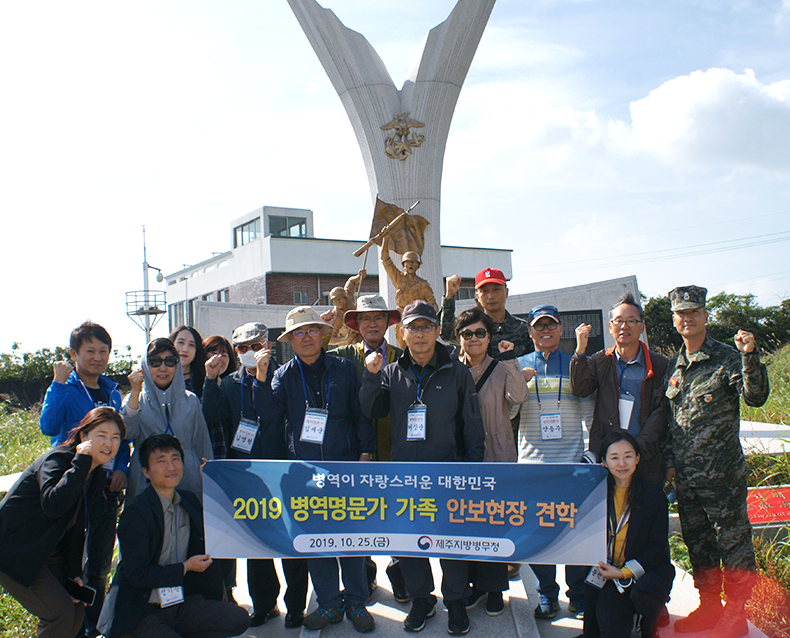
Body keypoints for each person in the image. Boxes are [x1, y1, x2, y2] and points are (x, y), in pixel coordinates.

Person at [360, 300, 486, 635]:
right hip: (405, 475)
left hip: (448, 473)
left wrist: (471, 470)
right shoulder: (390, 371)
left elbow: (472, 425)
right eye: (412, 327)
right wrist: (371, 376)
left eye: (425, 326)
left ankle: (456, 601)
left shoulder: (456, 371)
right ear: (402, 333)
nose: (419, 334)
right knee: (410, 540)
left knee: (452, 541)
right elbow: (372, 409)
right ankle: (422, 599)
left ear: (436, 331)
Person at [259, 306, 377, 633]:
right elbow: (268, 415)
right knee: (317, 541)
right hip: (306, 473)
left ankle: (356, 600)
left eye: (311, 330)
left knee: (352, 538)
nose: (306, 337)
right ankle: (328, 604)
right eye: (298, 332)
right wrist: (260, 378)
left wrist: (366, 453)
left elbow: (360, 414)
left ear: (322, 333)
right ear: (290, 340)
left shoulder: (344, 368)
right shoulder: (282, 375)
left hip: (346, 466)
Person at [665, 286, 769, 638]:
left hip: (722, 478)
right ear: (674, 319)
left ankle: (736, 615)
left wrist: (750, 356)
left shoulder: (727, 358)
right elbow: (669, 422)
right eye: (681, 313)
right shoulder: (675, 366)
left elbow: (755, 398)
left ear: (706, 316)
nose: (688, 318)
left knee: (734, 545)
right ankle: (709, 607)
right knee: (699, 546)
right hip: (688, 480)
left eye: (694, 311)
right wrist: (669, 464)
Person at [201, 322, 308, 628]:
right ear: (236, 352)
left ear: (268, 345)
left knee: (291, 541)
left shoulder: (285, 375)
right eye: (243, 348)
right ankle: (264, 604)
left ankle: (296, 605)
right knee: (255, 543)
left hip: (283, 471)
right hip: (246, 473)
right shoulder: (230, 383)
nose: (249, 353)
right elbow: (214, 415)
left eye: (255, 345)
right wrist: (210, 380)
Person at [97, 434, 250, 638]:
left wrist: (212, 487)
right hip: (143, 610)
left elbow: (217, 531)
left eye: (175, 458)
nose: (171, 466)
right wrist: (186, 567)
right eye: (161, 461)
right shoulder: (136, 514)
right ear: (146, 472)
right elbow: (138, 574)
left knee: (239, 619)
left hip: (179, 604)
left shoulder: (188, 501)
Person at [39, 321, 131, 637]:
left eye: (103, 351)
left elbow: (121, 438)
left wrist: (123, 468)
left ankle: (93, 626)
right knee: (70, 561)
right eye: (89, 350)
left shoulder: (112, 391)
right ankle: (71, 625)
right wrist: (57, 384)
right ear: (74, 353)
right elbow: (49, 426)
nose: (97, 357)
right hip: (74, 483)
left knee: (101, 562)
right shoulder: (66, 386)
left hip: (106, 488)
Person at [0, 407, 124, 638]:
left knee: (77, 612)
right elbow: (54, 505)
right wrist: (80, 463)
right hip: (15, 550)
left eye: (116, 437)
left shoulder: (96, 476)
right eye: (102, 435)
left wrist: (74, 572)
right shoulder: (57, 460)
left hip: (47, 553)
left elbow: (77, 530)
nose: (109, 443)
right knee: (60, 613)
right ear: (84, 437)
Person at [517, 304, 595, 621]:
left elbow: (589, 413)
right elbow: (508, 414)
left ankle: (577, 595)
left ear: (561, 330)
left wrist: (591, 453)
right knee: (538, 535)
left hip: (571, 464)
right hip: (532, 467)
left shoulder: (576, 364)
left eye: (551, 325)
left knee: (574, 534)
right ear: (530, 332)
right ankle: (546, 594)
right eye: (539, 326)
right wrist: (518, 385)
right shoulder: (517, 365)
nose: (545, 331)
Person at [330, 294, 408, 602]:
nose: (372, 323)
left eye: (378, 317)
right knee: (358, 513)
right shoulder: (343, 356)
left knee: (398, 511)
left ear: (389, 322)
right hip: (355, 449)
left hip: (395, 447)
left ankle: (401, 573)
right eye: (366, 318)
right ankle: (363, 574)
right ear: (357, 324)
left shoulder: (404, 356)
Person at [455, 307, 528, 616]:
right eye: (467, 333)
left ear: (489, 337)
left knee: (494, 523)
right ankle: (474, 584)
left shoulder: (500, 368)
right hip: (462, 458)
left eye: (480, 333)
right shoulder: (451, 368)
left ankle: (495, 588)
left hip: (496, 453)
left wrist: (511, 360)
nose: (474, 339)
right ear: (459, 338)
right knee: (467, 523)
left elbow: (519, 396)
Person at [580, 431, 674, 638]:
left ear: (638, 458)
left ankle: (649, 621)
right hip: (610, 572)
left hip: (648, 571)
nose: (622, 463)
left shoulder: (654, 496)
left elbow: (658, 548)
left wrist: (624, 573)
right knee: (611, 631)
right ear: (604, 462)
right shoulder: (596, 495)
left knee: (644, 595)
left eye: (628, 456)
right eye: (614, 457)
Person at [570, 292, 670, 485]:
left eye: (631, 321)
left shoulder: (659, 364)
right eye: (619, 321)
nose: (624, 326)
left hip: (646, 456)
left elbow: (661, 411)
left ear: (642, 327)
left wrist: (636, 449)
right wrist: (580, 352)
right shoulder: (601, 360)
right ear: (610, 327)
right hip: (608, 459)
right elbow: (580, 389)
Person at [122, 338, 213, 503]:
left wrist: (209, 480)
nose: (162, 368)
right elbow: (127, 433)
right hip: (146, 480)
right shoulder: (135, 400)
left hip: (187, 477)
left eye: (170, 361)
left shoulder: (190, 400)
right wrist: (135, 393)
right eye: (155, 362)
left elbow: (202, 444)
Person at [440, 267, 531, 358]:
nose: (490, 296)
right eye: (484, 291)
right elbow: (447, 334)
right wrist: (449, 296)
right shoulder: (471, 328)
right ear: (477, 296)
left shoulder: (523, 329)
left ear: (506, 292)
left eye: (496, 290)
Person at [380, 233, 438, 348]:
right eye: (408, 262)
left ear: (418, 266)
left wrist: (434, 321)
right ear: (404, 265)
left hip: (418, 318)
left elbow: (433, 304)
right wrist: (385, 239)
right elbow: (385, 259)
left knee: (419, 347)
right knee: (402, 349)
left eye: (414, 263)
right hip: (402, 317)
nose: (411, 265)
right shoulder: (398, 278)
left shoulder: (423, 284)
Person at [201, 334, 237, 459]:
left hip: (228, 457)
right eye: (214, 353)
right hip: (204, 454)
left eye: (224, 355)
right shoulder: (195, 385)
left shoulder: (232, 386)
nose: (219, 358)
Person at [169, 326, 207, 398]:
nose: (185, 349)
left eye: (191, 345)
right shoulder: (161, 378)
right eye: (180, 342)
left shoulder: (204, 382)